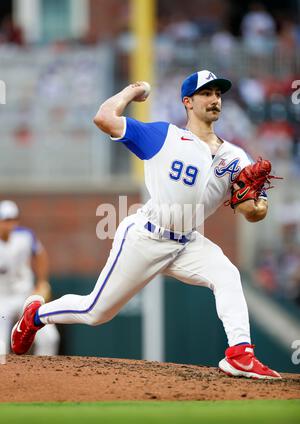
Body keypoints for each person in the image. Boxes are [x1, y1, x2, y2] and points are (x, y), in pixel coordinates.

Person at [11, 70, 281, 379]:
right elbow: (103, 118)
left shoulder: (235, 156)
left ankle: (240, 354)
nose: (214, 99)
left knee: (228, 274)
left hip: (187, 242)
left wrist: (260, 205)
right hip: (146, 236)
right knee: (95, 312)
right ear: (187, 102)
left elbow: (250, 210)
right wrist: (131, 91)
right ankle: (36, 316)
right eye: (206, 93)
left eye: (218, 94)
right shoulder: (164, 137)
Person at [0, 200, 59, 355]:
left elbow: (40, 255)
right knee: (1, 344)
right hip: (2, 298)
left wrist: (42, 281)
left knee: (49, 338)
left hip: (25, 294)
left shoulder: (25, 235)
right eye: (5, 220)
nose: (9, 224)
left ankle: (45, 376)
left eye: (13, 219)